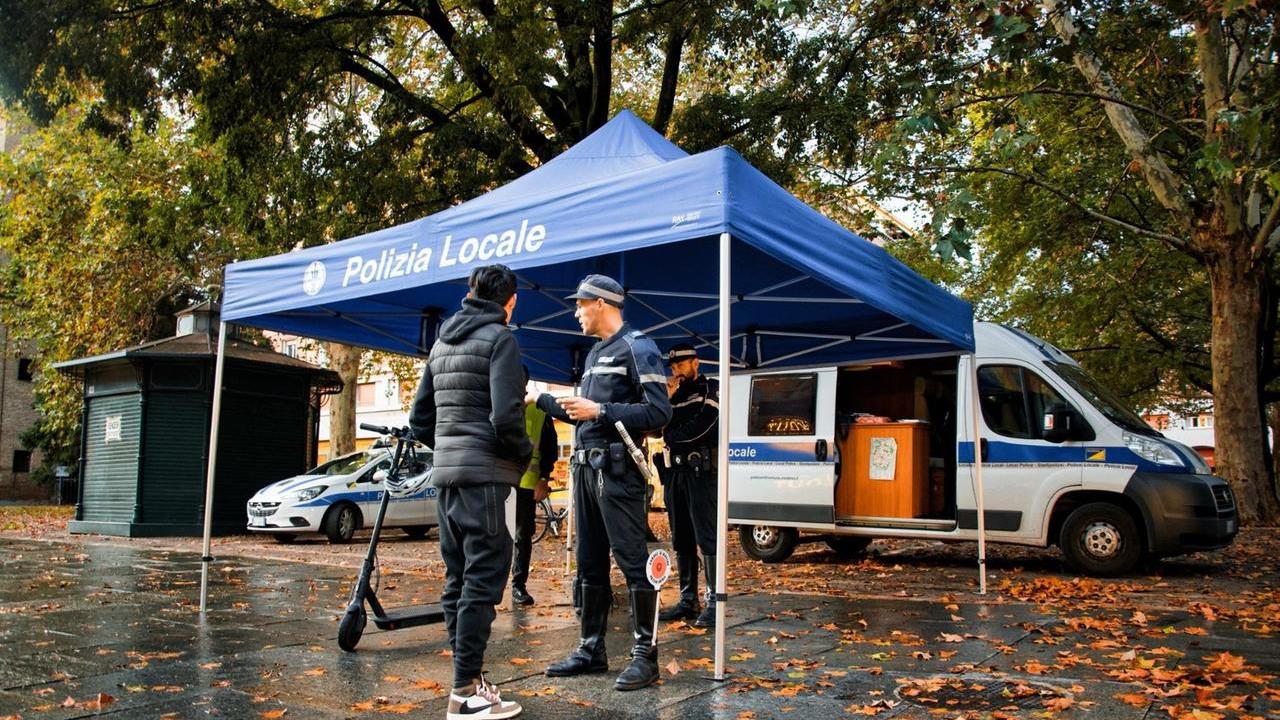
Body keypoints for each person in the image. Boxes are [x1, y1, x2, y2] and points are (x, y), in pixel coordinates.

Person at [531, 274, 672, 691]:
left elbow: (659, 413)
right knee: (589, 562)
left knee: (632, 561)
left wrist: (602, 409)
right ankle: (591, 648)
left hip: (618, 473)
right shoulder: (594, 354)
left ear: (600, 304)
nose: (575, 312)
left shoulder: (639, 347)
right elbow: (584, 414)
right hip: (585, 468)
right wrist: (542, 399)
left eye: (579, 305)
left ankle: (647, 657)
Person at [410, 264, 531, 720]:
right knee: (482, 582)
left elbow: (420, 420)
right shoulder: (501, 339)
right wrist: (523, 454)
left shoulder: (442, 343)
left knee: (457, 580)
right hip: (489, 480)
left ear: (469, 293)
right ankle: (464, 693)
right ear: (511, 301)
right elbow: (505, 418)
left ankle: (469, 683)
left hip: (448, 481)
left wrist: (450, 451)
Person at [656, 344, 720, 628]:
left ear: (695, 362)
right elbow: (654, 427)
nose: (676, 371)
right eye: (672, 367)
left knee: (706, 535)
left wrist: (671, 434)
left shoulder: (710, 388)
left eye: (681, 365)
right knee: (681, 536)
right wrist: (665, 398)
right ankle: (687, 599)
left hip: (700, 472)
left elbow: (705, 426)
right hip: (674, 473)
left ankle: (715, 600)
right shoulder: (672, 394)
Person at [511, 365, 558, 607]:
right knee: (492, 535)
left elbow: (550, 447)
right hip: (497, 481)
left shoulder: (539, 410)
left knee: (522, 536)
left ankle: (518, 586)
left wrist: (544, 478)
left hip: (527, 485)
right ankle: (488, 588)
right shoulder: (493, 403)